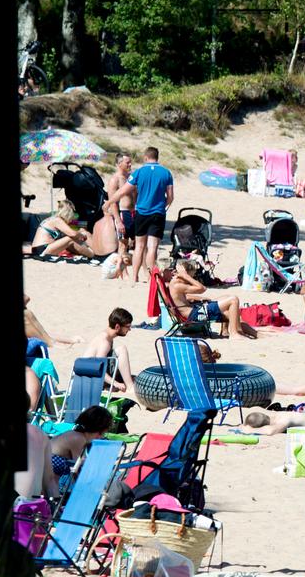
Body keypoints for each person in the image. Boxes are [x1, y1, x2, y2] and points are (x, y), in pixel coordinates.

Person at [165, 259, 257, 338]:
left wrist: (200, 298)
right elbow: (202, 288)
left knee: (228, 308)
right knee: (233, 299)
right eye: (192, 274)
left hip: (194, 311)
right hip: (194, 315)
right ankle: (234, 333)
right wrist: (186, 276)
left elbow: (183, 297)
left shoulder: (175, 284)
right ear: (187, 272)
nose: (193, 277)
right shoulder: (177, 284)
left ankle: (245, 332)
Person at [127, 146, 174, 283]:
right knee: (152, 247)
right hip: (158, 213)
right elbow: (170, 197)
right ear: (157, 157)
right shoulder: (166, 173)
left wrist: (111, 201)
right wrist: (162, 206)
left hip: (141, 212)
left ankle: (134, 276)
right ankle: (150, 277)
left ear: (146, 157)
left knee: (139, 246)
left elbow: (128, 190)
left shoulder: (139, 172)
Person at [49, 405, 115, 482]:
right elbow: (78, 465)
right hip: (44, 472)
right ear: (98, 430)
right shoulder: (78, 438)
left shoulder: (77, 435)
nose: (101, 437)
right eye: (102, 433)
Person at [82, 308, 136, 394]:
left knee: (134, 378)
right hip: (90, 380)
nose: (129, 329)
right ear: (117, 327)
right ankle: (130, 388)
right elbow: (99, 368)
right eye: (128, 326)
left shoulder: (106, 336)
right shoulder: (105, 342)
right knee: (121, 349)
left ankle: (119, 384)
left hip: (89, 376)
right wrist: (116, 383)